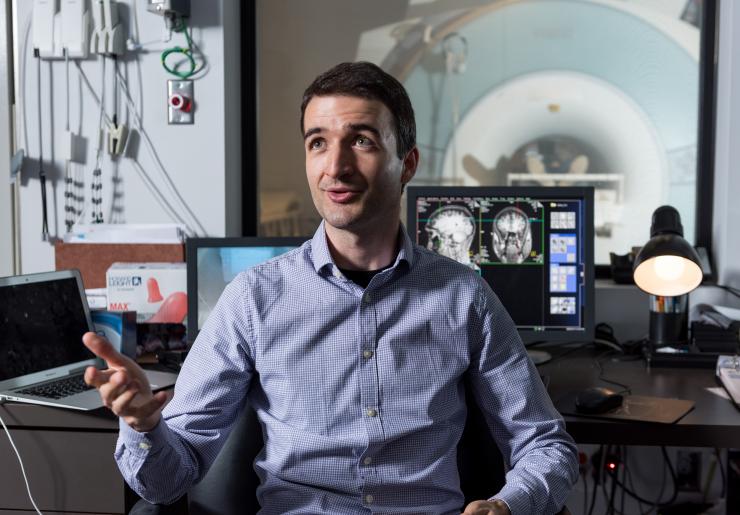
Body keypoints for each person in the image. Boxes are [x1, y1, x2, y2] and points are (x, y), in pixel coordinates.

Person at [83, 61, 578, 515]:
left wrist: (510, 505)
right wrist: (145, 427)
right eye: (317, 142)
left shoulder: (463, 298)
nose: (334, 167)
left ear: (407, 164)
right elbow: (167, 483)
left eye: (360, 140)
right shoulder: (253, 299)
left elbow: (547, 446)